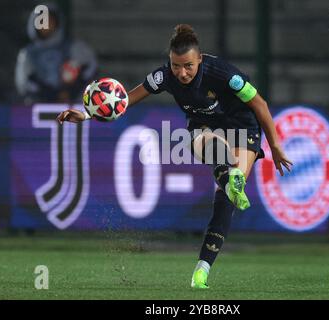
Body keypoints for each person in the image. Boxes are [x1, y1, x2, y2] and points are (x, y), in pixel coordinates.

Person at [56, 24, 292, 289]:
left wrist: (275, 145)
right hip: (204, 125)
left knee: (227, 198)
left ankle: (202, 268)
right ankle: (229, 176)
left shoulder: (223, 73)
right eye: (176, 66)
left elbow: (259, 104)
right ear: (170, 61)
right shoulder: (164, 76)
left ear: (199, 59)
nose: (182, 73)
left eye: (188, 66)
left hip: (241, 123)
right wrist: (87, 114)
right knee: (204, 144)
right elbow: (125, 101)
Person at [15, 4, 97, 104]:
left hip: (74, 104)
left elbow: (90, 70)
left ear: (58, 22)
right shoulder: (28, 54)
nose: (45, 25)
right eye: (41, 21)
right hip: (40, 105)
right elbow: (24, 83)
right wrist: (49, 94)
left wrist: (71, 91)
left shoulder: (74, 47)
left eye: (49, 21)